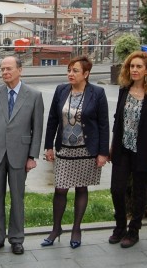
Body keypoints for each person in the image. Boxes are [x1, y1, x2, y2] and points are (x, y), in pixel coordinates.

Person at [0, 55, 44, 256]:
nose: (5, 72)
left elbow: (37, 129)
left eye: (8, 68)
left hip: (20, 155)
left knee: (17, 198)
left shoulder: (34, 95)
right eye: (2, 69)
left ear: (20, 70)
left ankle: (16, 239)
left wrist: (32, 157)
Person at [41, 55, 108, 249]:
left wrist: (103, 152)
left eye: (75, 71)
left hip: (86, 150)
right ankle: (56, 229)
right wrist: (48, 146)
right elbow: (52, 119)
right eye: (69, 70)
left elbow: (104, 125)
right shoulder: (61, 90)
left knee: (81, 188)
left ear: (86, 74)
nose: (70, 74)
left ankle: (76, 229)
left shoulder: (97, 93)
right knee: (60, 189)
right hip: (64, 149)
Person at [108, 51, 147, 248]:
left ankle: (134, 231)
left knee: (139, 192)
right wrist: (112, 145)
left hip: (143, 151)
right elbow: (117, 119)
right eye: (132, 66)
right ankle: (120, 226)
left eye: (139, 66)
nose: (134, 70)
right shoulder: (124, 90)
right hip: (122, 148)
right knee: (117, 189)